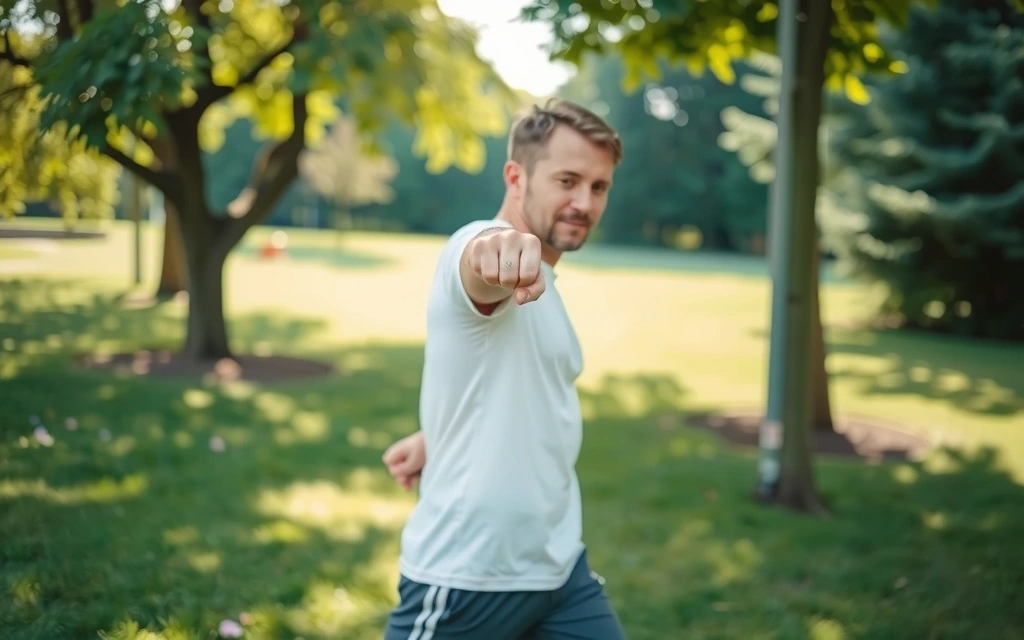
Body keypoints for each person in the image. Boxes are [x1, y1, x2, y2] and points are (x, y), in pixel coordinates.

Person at [381, 98, 626, 640]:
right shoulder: (487, 254)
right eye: (567, 180)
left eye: (599, 186)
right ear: (517, 176)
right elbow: (478, 265)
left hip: (559, 568)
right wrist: (494, 250)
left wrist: (439, 432)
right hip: (470, 575)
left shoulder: (548, 286)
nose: (583, 202)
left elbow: (510, 382)